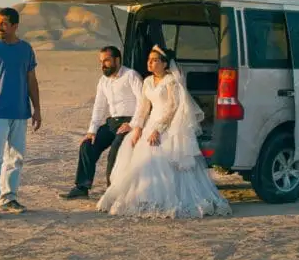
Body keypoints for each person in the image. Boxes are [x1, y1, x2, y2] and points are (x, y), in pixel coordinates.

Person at [96, 45, 232, 219]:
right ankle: (142, 197)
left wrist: (158, 130)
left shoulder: (171, 81)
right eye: (149, 60)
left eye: (154, 60)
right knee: (136, 153)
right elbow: (143, 108)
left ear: (165, 64)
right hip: (150, 122)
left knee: (161, 154)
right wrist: (137, 127)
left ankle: (167, 198)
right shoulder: (146, 81)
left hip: (168, 125)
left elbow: (172, 107)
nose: (150, 63)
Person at [0, 7, 41, 220]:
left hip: (20, 112)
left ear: (15, 26)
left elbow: (31, 80)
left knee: (15, 157)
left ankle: (8, 197)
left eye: (3, 23)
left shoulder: (26, 49)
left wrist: (37, 109)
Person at [59, 45, 143, 199]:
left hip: (129, 123)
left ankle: (112, 191)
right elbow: (99, 107)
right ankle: (82, 187)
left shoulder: (131, 75)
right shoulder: (103, 81)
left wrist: (132, 124)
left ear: (117, 60)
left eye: (106, 61)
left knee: (115, 152)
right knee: (87, 145)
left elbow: (142, 102)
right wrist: (92, 131)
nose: (103, 65)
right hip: (112, 123)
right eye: (101, 61)